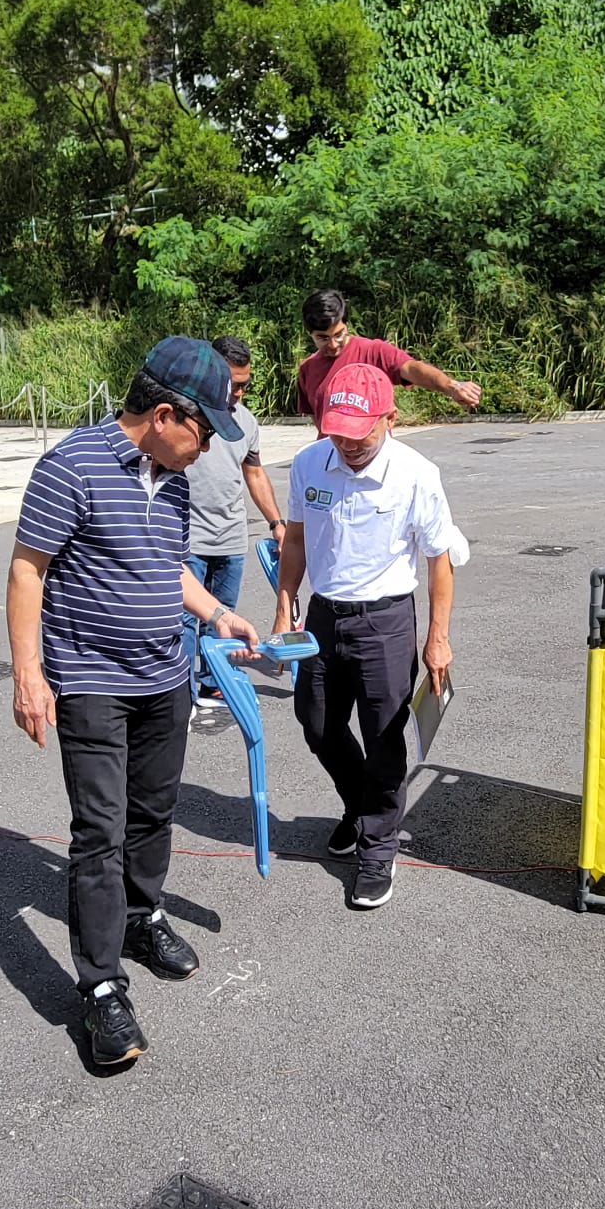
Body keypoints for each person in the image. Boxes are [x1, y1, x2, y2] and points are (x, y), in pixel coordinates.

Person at [7, 337, 262, 1067]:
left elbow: (167, 565)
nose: (209, 445)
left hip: (163, 677)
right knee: (100, 832)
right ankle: (98, 989)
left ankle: (142, 916)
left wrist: (216, 612)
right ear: (162, 414)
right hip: (90, 682)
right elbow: (29, 571)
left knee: (154, 813)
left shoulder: (173, 477)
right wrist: (29, 676)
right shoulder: (70, 466)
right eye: (204, 429)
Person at [271, 362, 466, 911]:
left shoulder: (416, 474)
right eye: (338, 433)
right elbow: (296, 540)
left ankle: (379, 845)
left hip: (386, 622)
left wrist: (438, 637)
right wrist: (285, 605)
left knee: (384, 736)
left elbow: (439, 559)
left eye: (361, 435)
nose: (348, 446)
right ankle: (360, 805)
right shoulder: (310, 462)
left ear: (390, 419)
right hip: (324, 617)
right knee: (316, 723)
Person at [183, 335, 289, 709]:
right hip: (189, 538)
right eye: (234, 382)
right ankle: (181, 693)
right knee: (183, 619)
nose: (240, 391)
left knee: (223, 614)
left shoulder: (247, 422)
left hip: (230, 537)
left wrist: (276, 522)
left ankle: (212, 682)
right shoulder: (188, 415)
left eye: (245, 383)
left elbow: (255, 474)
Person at [294, 288, 483, 421]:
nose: (334, 344)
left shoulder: (372, 351)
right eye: (323, 338)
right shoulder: (307, 370)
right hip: (331, 464)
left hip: (372, 461)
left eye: (339, 334)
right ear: (309, 334)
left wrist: (452, 386)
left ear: (347, 325)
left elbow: (412, 368)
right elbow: (318, 420)